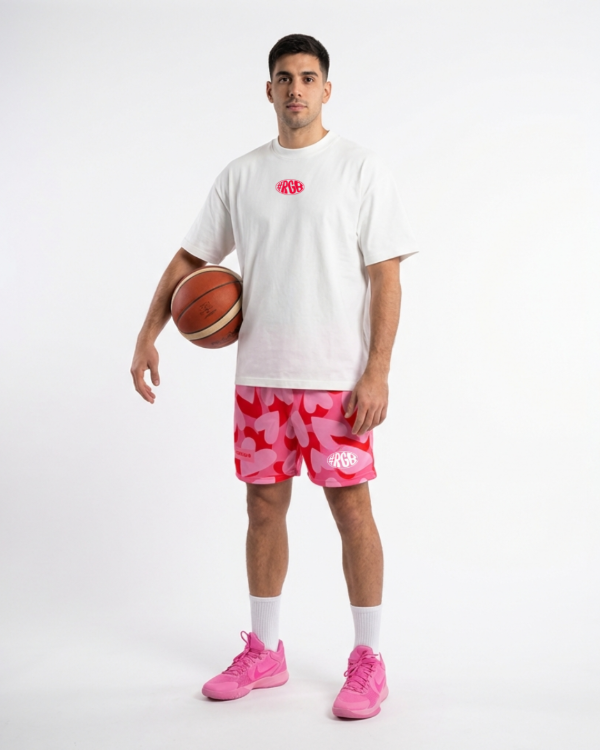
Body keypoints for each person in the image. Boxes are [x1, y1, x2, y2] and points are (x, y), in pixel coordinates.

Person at [130, 33, 418, 720]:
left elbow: (386, 277)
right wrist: (148, 333)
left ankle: (369, 659)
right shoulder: (242, 175)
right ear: (268, 90)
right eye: (284, 77)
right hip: (259, 377)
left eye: (308, 77)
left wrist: (377, 372)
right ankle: (265, 651)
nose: (296, 89)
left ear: (327, 89)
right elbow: (190, 260)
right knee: (262, 509)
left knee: (353, 511)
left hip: (337, 382)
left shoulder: (359, 168)